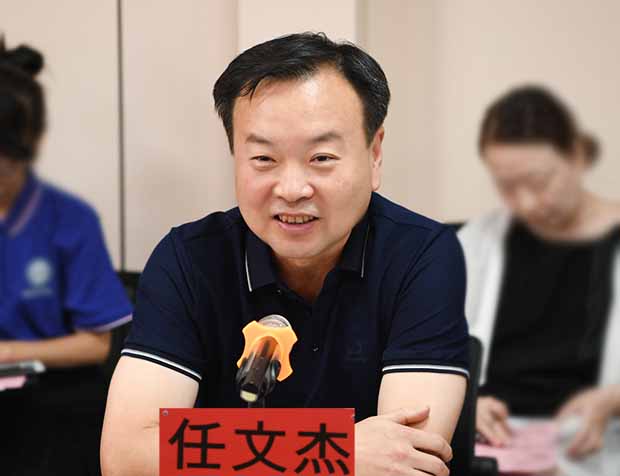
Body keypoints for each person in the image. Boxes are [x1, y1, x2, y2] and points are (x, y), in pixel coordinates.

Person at [101, 32, 469, 476]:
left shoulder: (422, 255)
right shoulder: (190, 259)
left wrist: (214, 453)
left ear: (374, 155)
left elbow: (408, 461)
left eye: (322, 157)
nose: (292, 189)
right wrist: (338, 452)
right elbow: (126, 455)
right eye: (263, 159)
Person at [458, 85, 620, 459]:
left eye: (539, 182)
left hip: (596, 448)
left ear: (577, 155)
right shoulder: (475, 244)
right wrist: (465, 404)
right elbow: (434, 353)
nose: (526, 203)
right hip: (494, 448)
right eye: (507, 187)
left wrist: (612, 399)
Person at [0, 39, 132, 474]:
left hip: (48, 408)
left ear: (30, 143)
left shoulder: (69, 221)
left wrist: (6, 353)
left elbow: (96, 344)